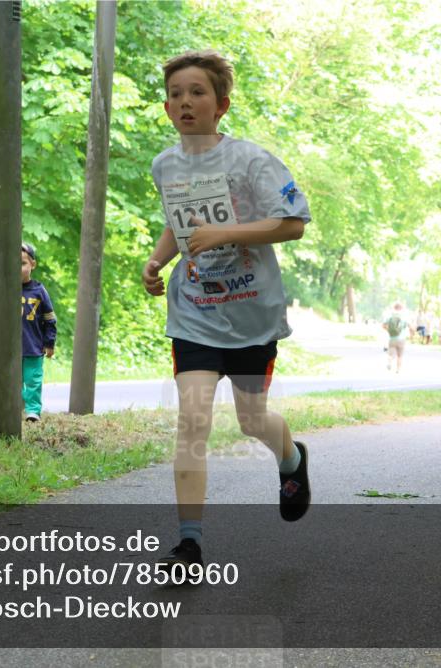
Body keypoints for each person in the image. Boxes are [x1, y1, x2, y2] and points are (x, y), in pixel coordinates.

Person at [141, 50, 312, 571]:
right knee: (192, 420)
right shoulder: (164, 165)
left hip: (251, 313)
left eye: (197, 92)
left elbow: (293, 222)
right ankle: (188, 543)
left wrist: (227, 233)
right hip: (195, 311)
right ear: (167, 109)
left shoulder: (251, 161)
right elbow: (179, 223)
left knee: (251, 419)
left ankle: (292, 460)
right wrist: (156, 260)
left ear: (221, 104)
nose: (185, 101)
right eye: (175, 94)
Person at [20, 243, 57, 422]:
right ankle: (16, 406)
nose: (18, 269)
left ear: (32, 264)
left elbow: (50, 319)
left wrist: (49, 343)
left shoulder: (39, 290)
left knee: (33, 381)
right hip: (10, 349)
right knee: (13, 381)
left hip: (33, 346)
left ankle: (33, 410)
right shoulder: (5, 287)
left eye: (22, 264)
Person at [383, 303, 411, 372]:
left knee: (391, 353)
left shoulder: (390, 316)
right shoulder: (404, 316)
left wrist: (389, 331)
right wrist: (412, 334)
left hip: (392, 338)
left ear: (394, 307)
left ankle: (389, 362)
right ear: (401, 308)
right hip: (401, 339)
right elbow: (410, 326)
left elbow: (384, 325)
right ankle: (398, 370)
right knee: (399, 355)